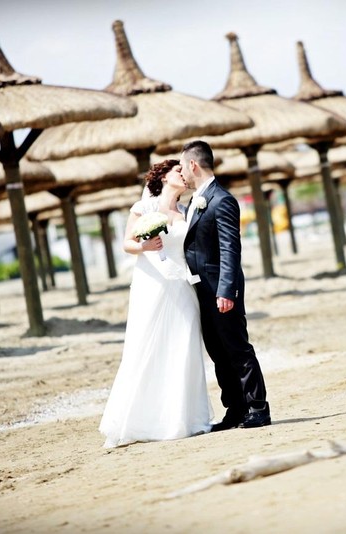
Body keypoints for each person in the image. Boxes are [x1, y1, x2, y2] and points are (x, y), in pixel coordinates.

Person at [99, 159, 213, 447]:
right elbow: (127, 243)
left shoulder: (188, 210)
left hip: (182, 284)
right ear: (163, 176)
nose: (184, 176)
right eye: (178, 171)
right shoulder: (144, 208)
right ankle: (141, 419)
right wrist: (144, 246)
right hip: (153, 283)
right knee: (147, 346)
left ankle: (184, 419)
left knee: (184, 346)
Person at [180, 140, 271, 430]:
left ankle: (258, 408)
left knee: (237, 348)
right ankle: (235, 409)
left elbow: (231, 250)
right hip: (200, 290)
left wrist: (226, 290)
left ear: (193, 165)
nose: (182, 171)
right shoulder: (194, 201)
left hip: (220, 289)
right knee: (218, 352)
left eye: (183, 166)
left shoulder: (222, 200)